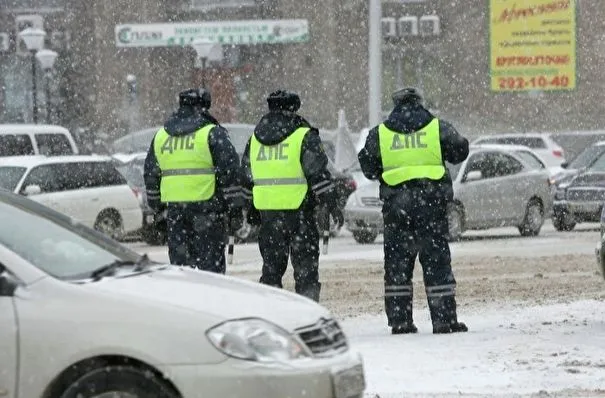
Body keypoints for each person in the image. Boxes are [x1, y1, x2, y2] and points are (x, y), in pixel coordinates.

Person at [358, 87, 470, 334]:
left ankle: (400, 322)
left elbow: (367, 166)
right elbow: (460, 150)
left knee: (397, 266)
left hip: (397, 210)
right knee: (437, 263)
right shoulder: (436, 128)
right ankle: (443, 320)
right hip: (432, 207)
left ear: (395, 106)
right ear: (420, 103)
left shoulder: (381, 133)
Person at [241, 90, 344, 302]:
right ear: (294, 108)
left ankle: (271, 315)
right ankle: (306, 316)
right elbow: (318, 173)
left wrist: (248, 207)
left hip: (268, 215)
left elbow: (247, 176)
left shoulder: (255, 140)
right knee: (306, 272)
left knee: (271, 271)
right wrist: (331, 204)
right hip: (300, 214)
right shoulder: (303, 136)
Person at [144, 88, 242, 274]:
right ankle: (208, 302)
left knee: (181, 270)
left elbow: (151, 174)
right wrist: (234, 208)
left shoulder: (161, 136)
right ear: (204, 106)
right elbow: (229, 172)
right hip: (208, 210)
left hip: (175, 212)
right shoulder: (212, 133)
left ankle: (186, 302)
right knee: (210, 270)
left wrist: (157, 207)